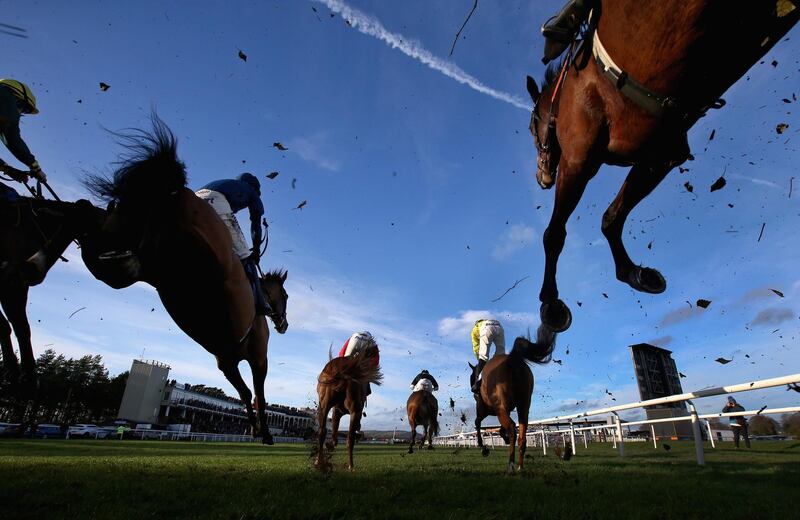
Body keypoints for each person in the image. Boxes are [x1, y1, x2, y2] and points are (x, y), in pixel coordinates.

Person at [195, 173, 269, 315]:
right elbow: (256, 225)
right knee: (245, 255)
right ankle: (260, 301)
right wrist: (257, 251)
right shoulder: (252, 192)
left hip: (195, 197)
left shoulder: (223, 182)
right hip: (216, 203)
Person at [0, 79, 47, 202]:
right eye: (24, 108)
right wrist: (35, 168)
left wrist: (9, 170)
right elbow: (13, 140)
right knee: (11, 199)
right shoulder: (5, 97)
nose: (20, 113)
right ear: (15, 97)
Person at [338, 331, 380, 397]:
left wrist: (341, 362)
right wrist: (369, 369)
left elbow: (342, 351)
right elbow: (375, 361)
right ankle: (366, 390)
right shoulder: (373, 343)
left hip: (354, 340)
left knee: (345, 364)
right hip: (365, 345)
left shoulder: (352, 337)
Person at [470, 318, 505, 394]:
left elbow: (476, 347)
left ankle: (477, 384)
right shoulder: (486, 322)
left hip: (486, 328)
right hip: (499, 326)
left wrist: (479, 360)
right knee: (501, 355)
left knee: (483, 356)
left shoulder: (474, 330)